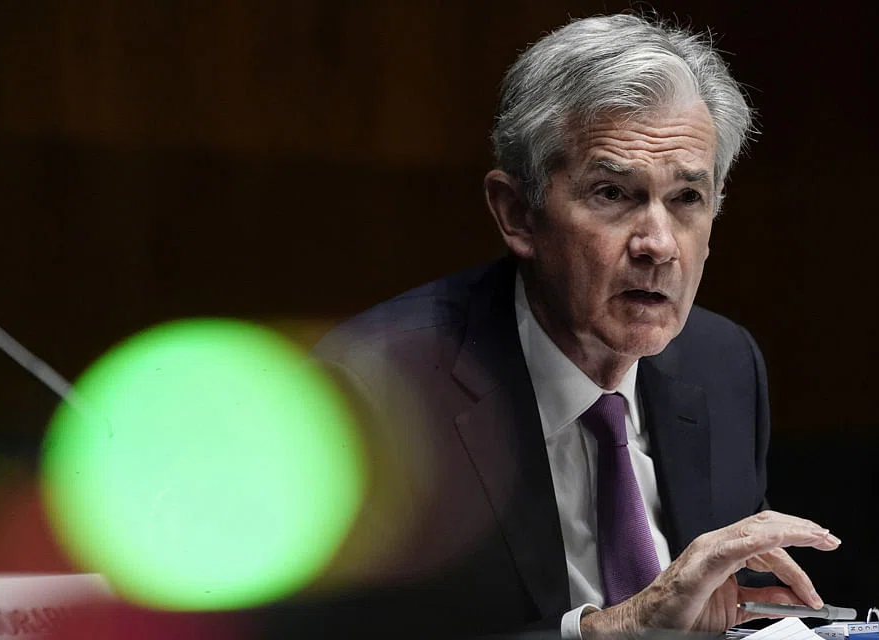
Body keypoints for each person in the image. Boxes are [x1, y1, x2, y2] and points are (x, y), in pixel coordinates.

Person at [313, 12, 840, 639]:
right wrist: (612, 629)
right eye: (612, 193)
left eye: (686, 199)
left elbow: (729, 612)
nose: (658, 244)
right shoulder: (378, 389)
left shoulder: (723, 362)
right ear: (518, 214)